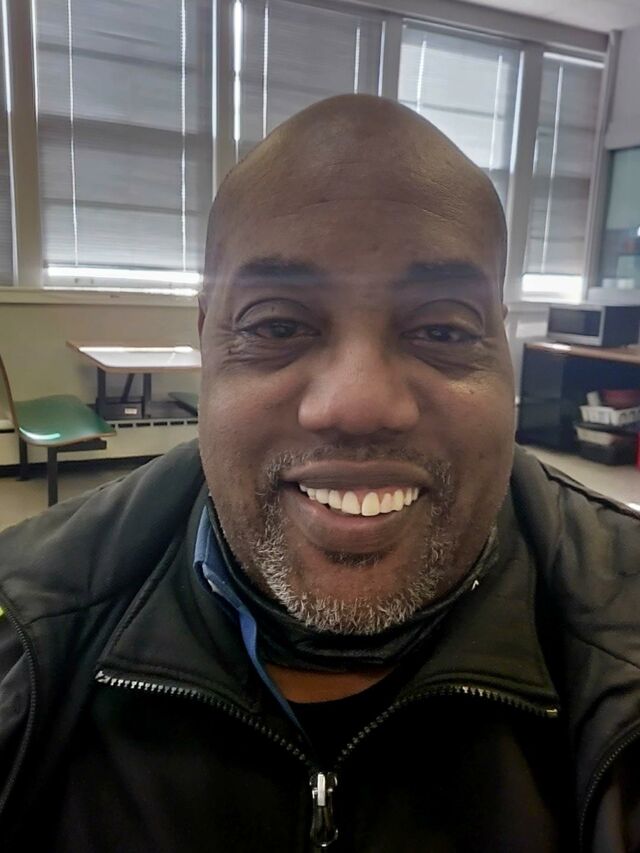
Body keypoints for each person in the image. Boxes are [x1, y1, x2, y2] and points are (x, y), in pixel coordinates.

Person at [0, 94, 638, 852]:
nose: (358, 404)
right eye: (277, 324)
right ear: (207, 340)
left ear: (501, 345)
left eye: (442, 329)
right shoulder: (25, 632)